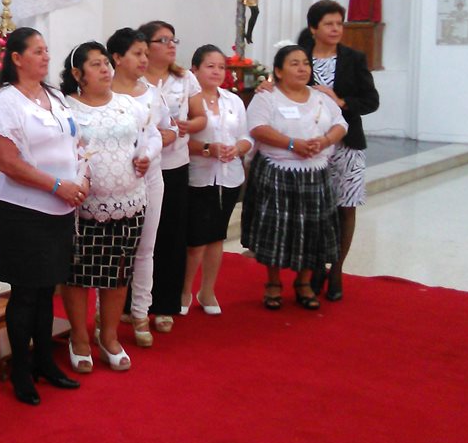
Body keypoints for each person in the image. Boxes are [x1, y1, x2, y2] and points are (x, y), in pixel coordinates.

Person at [0, 27, 84, 405]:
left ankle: (45, 362)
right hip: (23, 211)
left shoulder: (54, 97)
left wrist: (80, 180)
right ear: (17, 59)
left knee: (46, 292)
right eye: (37, 51)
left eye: (46, 50)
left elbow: (76, 145)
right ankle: (21, 371)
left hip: (60, 209)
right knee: (24, 294)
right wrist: (58, 185)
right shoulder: (6, 103)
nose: (45, 57)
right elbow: (9, 163)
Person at [60, 41, 155, 373]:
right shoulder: (64, 108)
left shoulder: (128, 104)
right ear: (77, 74)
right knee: (77, 274)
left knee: (117, 273)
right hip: (82, 206)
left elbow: (152, 135)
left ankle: (109, 336)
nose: (105, 69)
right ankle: (79, 338)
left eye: (106, 63)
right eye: (96, 64)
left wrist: (147, 156)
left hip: (128, 202)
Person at [242, 44, 348, 311]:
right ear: (278, 71)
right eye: (294, 63)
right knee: (278, 229)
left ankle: (304, 283)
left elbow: (341, 123)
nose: (302, 69)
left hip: (315, 172)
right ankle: (274, 283)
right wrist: (292, 144)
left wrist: (324, 141)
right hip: (278, 171)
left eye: (305, 63)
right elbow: (257, 127)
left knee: (314, 229)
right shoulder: (267, 97)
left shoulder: (320, 96)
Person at [296, 0, 380, 301]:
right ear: (313, 28)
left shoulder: (353, 58)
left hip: (346, 145)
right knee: (317, 209)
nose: (336, 29)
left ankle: (337, 269)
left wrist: (341, 101)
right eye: (329, 23)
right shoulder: (300, 57)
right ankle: (315, 265)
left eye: (339, 24)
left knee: (345, 207)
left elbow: (371, 101)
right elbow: (283, 85)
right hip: (310, 146)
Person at [106, 27, 171, 347]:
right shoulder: (103, 94)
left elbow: (160, 132)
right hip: (113, 184)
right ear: (117, 58)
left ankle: (140, 312)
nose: (144, 60)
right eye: (137, 54)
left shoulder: (151, 92)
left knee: (145, 250)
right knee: (110, 253)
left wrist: (147, 155)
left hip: (150, 177)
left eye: (146, 54)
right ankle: (103, 319)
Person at [140, 20, 204, 331]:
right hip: (141, 167)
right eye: (162, 40)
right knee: (140, 237)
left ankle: (165, 304)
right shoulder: (133, 79)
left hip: (175, 164)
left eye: (172, 39)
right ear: (146, 47)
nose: (170, 45)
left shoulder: (184, 78)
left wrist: (187, 126)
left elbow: (199, 116)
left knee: (171, 235)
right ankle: (134, 302)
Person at [184, 45, 251, 315]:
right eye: (210, 66)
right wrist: (208, 148)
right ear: (195, 70)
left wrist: (238, 149)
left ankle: (208, 290)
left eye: (221, 67)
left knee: (216, 238)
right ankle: (184, 290)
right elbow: (179, 139)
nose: (217, 72)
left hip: (229, 176)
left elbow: (247, 136)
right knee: (195, 240)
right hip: (198, 175)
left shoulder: (232, 100)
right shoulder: (189, 102)